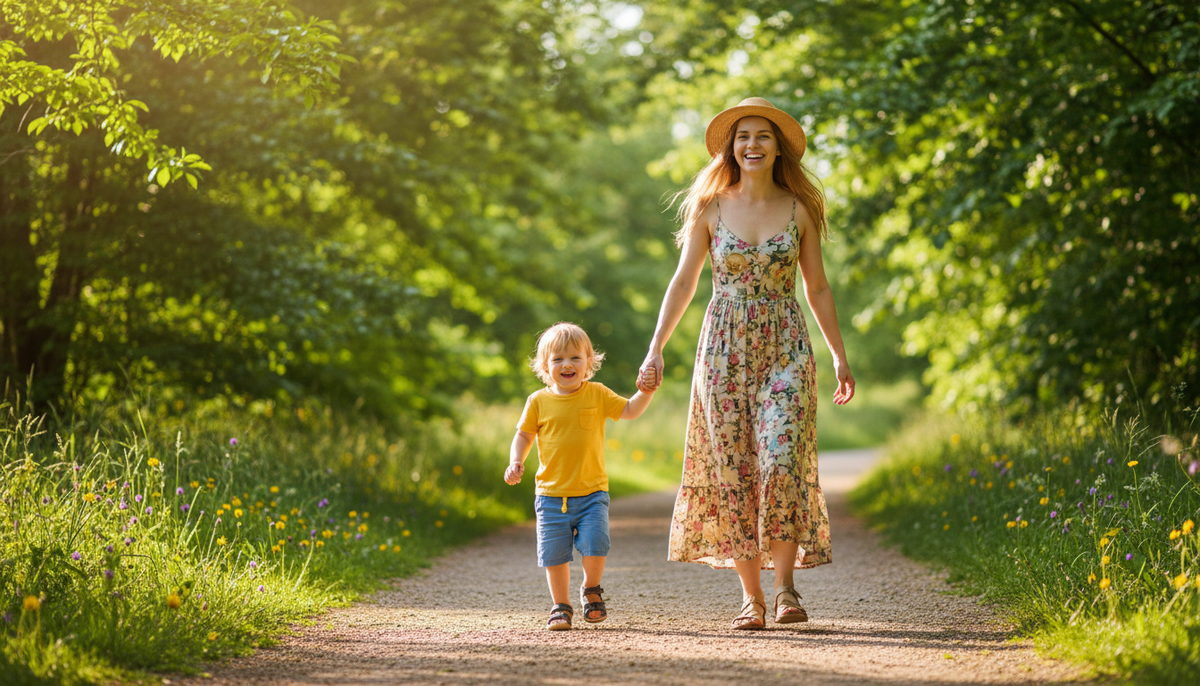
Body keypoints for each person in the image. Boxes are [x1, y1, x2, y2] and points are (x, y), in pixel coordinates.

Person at [637, 97, 855, 630]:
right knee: (734, 471)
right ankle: (750, 598)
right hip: (723, 351)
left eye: (763, 136)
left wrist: (839, 355)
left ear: (777, 147)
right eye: (743, 137)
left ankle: (786, 591)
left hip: (786, 345)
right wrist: (655, 346)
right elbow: (685, 281)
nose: (752, 145)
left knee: (780, 464)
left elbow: (817, 286)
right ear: (731, 149)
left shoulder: (798, 208)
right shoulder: (710, 207)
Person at [505, 322, 658, 631]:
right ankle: (561, 606)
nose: (567, 364)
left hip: (592, 493)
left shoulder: (597, 394)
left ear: (589, 362)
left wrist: (646, 391)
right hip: (550, 495)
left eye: (575, 357)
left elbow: (629, 410)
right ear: (545, 366)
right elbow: (523, 435)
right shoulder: (538, 401)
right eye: (558, 358)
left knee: (596, 543)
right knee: (554, 555)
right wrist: (515, 461)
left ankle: (591, 589)